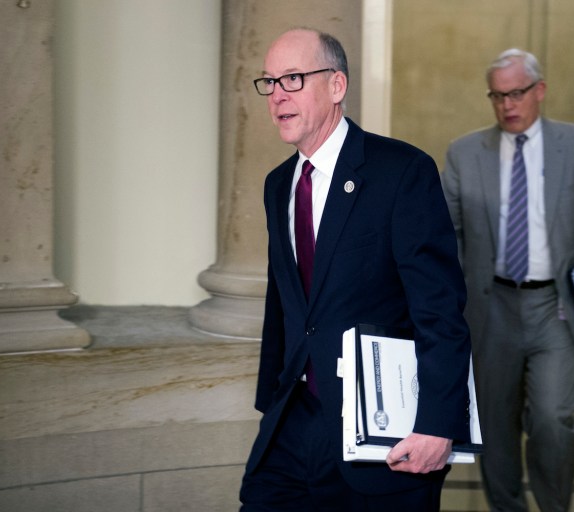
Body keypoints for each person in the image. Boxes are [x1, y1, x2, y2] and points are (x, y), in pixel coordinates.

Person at [239, 28, 473, 511]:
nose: (277, 95)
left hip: (381, 443)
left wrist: (437, 424)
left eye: (294, 78)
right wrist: (272, 400)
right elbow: (284, 303)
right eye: (269, 82)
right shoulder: (278, 184)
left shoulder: (401, 172)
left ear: (337, 86)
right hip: (293, 426)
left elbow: (440, 308)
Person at [441, 48, 574, 512]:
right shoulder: (465, 153)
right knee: (496, 423)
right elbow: (448, 237)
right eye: (498, 95)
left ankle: (554, 505)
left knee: (554, 417)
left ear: (539, 91)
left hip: (555, 306)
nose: (507, 104)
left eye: (517, 93)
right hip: (491, 309)